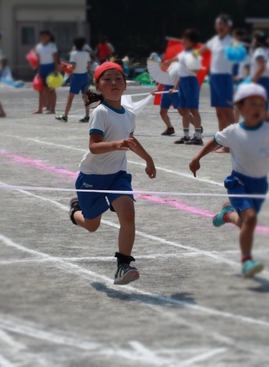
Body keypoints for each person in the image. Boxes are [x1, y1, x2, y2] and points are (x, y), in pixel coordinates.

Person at [189, 84, 269, 277]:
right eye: (252, 104)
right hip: (239, 182)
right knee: (251, 219)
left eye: (261, 105)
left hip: (260, 185)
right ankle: (247, 261)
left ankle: (227, 214)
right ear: (241, 108)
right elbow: (215, 140)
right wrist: (197, 157)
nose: (257, 109)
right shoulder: (233, 131)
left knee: (246, 222)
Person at [68, 62, 156, 285]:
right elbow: (94, 147)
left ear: (125, 85)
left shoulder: (129, 115)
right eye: (107, 79)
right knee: (92, 225)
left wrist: (148, 159)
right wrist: (116, 144)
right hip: (92, 177)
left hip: (117, 174)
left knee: (127, 214)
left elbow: (131, 141)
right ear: (98, 86)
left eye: (118, 78)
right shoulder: (100, 113)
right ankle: (75, 211)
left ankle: (123, 265)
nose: (113, 82)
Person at [195, 14, 235, 153]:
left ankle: (232, 144)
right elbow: (201, 50)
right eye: (218, 25)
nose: (220, 27)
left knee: (228, 112)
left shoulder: (232, 41)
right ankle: (222, 140)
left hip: (225, 78)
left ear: (228, 27)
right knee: (219, 112)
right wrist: (191, 54)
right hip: (215, 78)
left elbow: (239, 56)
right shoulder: (215, 40)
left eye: (223, 25)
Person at [163, 28, 204, 146]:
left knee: (193, 110)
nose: (183, 41)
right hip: (182, 82)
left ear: (191, 41)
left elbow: (196, 71)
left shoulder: (194, 54)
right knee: (184, 110)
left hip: (190, 82)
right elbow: (177, 59)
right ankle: (186, 136)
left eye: (185, 39)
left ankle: (198, 137)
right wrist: (167, 62)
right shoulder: (183, 53)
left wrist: (188, 65)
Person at [55, 37, 91, 123]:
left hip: (77, 77)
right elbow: (89, 65)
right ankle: (87, 116)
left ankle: (65, 116)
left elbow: (73, 67)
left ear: (74, 44)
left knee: (70, 98)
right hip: (85, 76)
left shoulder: (73, 54)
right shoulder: (86, 54)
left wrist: (67, 67)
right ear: (83, 45)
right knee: (85, 97)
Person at [33, 30, 59, 114]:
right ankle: (40, 109)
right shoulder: (39, 46)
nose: (43, 37)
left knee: (51, 89)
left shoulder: (52, 46)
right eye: (42, 36)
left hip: (50, 67)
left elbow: (55, 59)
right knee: (41, 90)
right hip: (42, 68)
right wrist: (38, 71)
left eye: (45, 36)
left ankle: (52, 109)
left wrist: (56, 70)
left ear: (49, 37)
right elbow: (38, 60)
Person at [250, 30, 269, 122]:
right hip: (267, 81)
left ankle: (264, 134)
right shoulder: (268, 50)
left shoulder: (259, 51)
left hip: (260, 81)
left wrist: (252, 82)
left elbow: (261, 68)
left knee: (260, 111)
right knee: (264, 109)